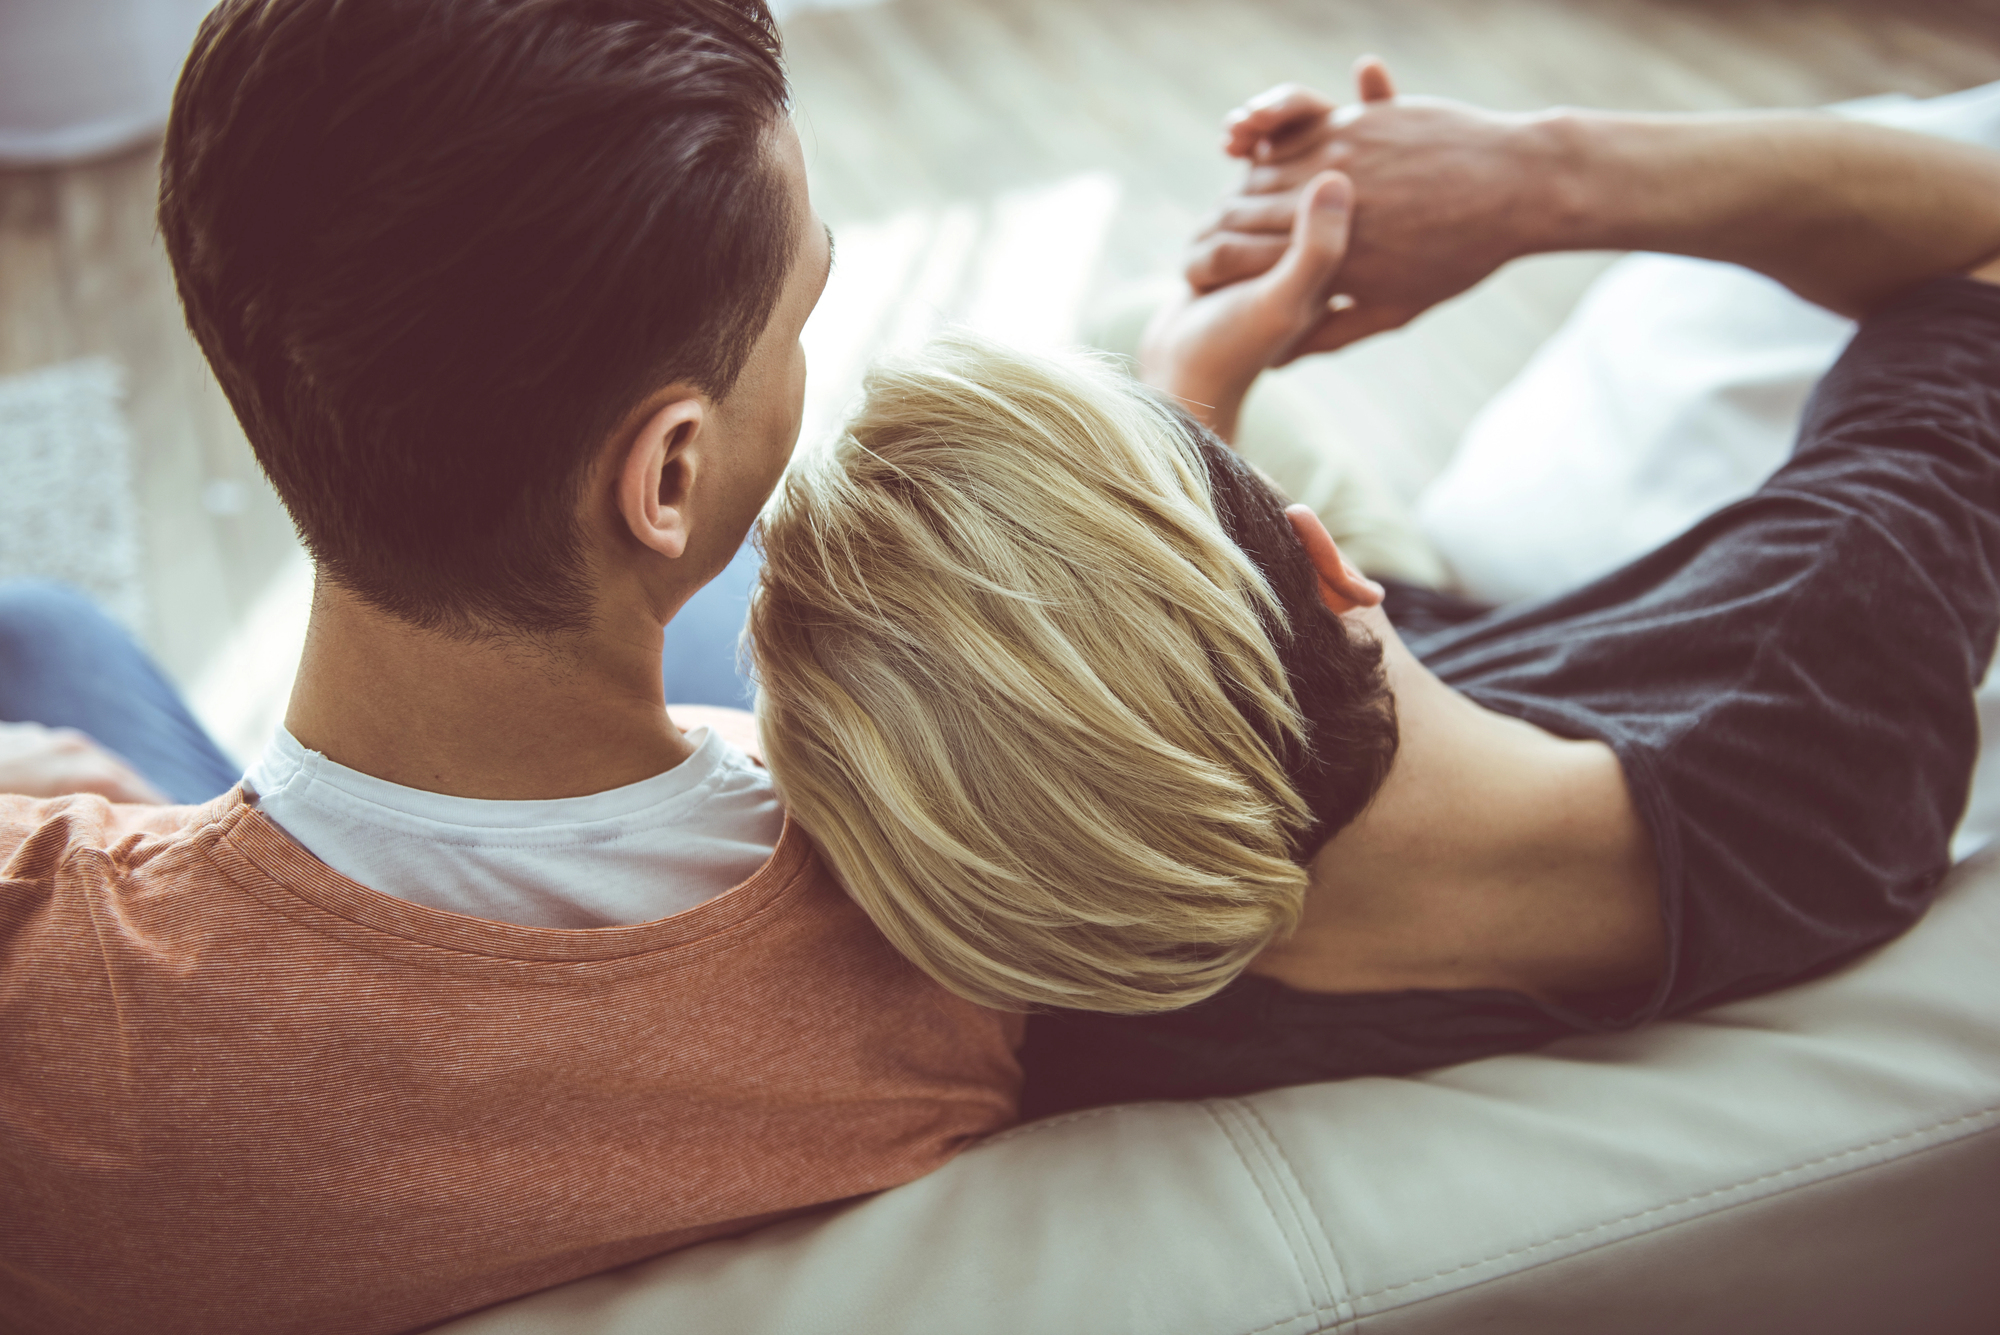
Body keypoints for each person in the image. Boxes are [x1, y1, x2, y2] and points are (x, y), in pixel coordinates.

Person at [0, 5, 1018, 1334]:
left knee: (36, 631)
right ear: (668, 474)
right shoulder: (936, 937)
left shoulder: (40, 994)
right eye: (803, 317)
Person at [751, 64, 2000, 1119]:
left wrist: (1187, 386)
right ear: (1333, 571)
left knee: (1150, 326)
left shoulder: (1120, 984)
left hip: (1354, 728)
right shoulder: (1817, 664)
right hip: (1489, 651)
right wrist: (1536, 178)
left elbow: (1113, 752)